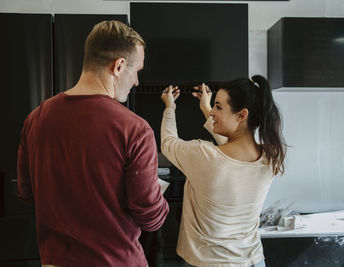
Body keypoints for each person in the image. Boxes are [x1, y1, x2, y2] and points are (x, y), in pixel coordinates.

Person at [17, 20, 169, 267]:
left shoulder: (36, 118)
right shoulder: (135, 129)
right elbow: (150, 217)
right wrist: (158, 198)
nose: (136, 82)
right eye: (137, 71)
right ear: (119, 66)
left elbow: (27, 192)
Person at [160, 75, 286, 266]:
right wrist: (206, 107)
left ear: (242, 115)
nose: (213, 113)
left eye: (218, 107)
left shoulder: (204, 155)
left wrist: (170, 107)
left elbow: (168, 143)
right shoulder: (271, 157)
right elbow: (232, 149)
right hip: (253, 261)